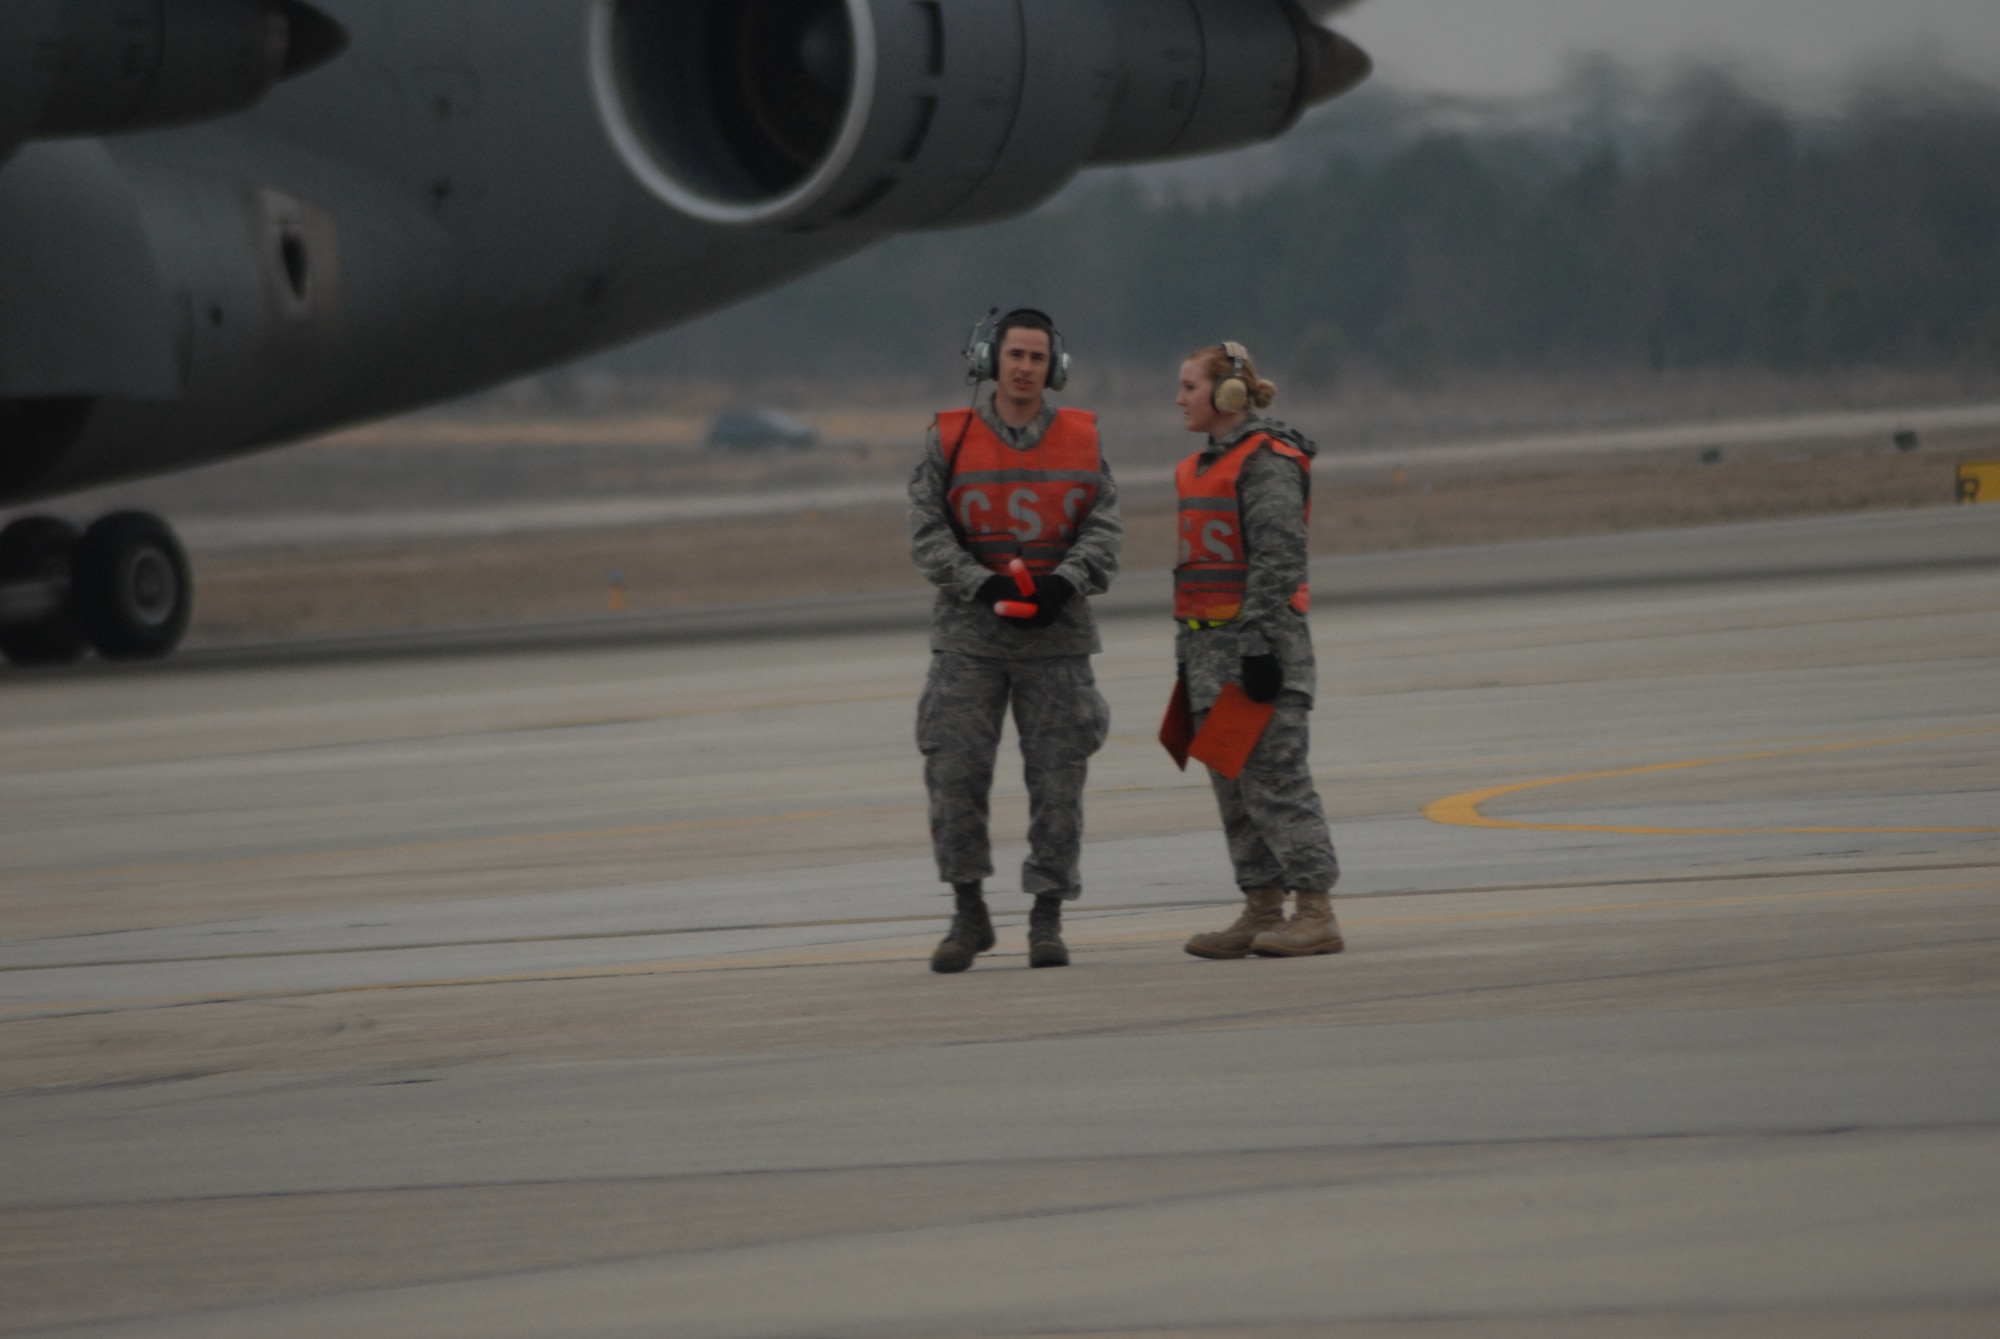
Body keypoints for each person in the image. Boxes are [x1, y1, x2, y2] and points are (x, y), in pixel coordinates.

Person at [908, 308, 1122, 973]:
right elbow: (927, 532)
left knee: (1059, 782)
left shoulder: (1083, 439)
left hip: (1057, 639)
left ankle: (1047, 914)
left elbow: (1104, 528)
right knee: (954, 773)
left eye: (1037, 356)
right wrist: (978, 585)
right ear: (989, 361)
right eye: (1015, 355)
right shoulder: (949, 437)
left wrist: (1064, 582)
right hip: (971, 637)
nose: (1025, 367)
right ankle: (968, 911)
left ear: (1053, 367)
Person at [1172, 342, 1343, 959]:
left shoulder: (1266, 462)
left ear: (1227, 396)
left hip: (1257, 658)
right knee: (1236, 792)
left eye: (1190, 387)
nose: (1180, 399)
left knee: (1275, 786)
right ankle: (1263, 906)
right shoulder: (1201, 467)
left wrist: (1257, 644)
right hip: (1208, 659)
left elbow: (1277, 559)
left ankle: (1315, 911)